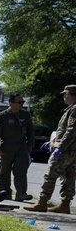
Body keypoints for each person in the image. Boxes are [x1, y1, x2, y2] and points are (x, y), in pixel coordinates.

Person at [25, 85, 76, 213]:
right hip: (72, 150)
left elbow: (71, 131)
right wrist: (52, 141)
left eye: (65, 94)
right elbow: (66, 131)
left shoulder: (74, 110)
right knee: (69, 176)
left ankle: (42, 202)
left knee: (50, 174)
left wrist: (60, 147)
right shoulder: (71, 109)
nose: (64, 96)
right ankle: (65, 205)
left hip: (67, 150)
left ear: (69, 94)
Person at [0, 94, 35, 201]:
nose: (22, 104)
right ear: (11, 103)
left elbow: (30, 131)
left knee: (21, 171)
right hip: (6, 146)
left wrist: (30, 144)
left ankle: (21, 193)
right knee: (4, 171)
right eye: (19, 102)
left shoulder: (25, 115)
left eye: (23, 102)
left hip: (21, 146)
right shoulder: (2, 116)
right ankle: (5, 193)